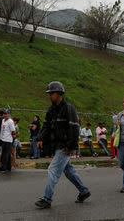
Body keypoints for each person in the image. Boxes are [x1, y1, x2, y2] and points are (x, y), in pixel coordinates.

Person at [35, 81, 90, 209]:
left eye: (52, 93)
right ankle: (84, 191)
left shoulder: (69, 108)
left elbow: (75, 128)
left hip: (66, 146)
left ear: (59, 93)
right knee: (69, 170)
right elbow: (46, 126)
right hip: (58, 144)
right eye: (49, 93)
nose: (49, 96)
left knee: (52, 169)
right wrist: (40, 138)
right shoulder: (52, 110)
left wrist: (71, 146)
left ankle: (47, 199)